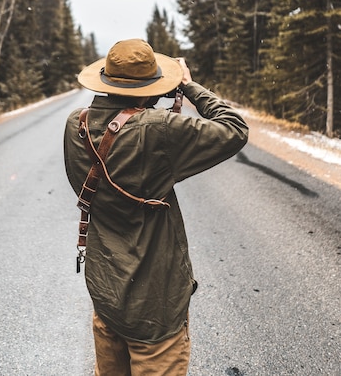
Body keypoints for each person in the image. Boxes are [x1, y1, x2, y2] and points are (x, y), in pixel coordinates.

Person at [64, 38, 248, 376]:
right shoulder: (161, 131)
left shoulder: (76, 124)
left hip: (106, 294)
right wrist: (189, 87)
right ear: (153, 85)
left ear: (106, 80)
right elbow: (234, 129)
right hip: (155, 307)